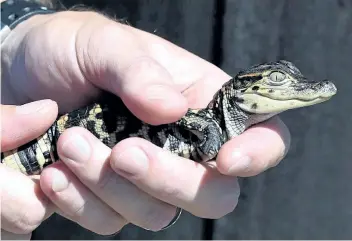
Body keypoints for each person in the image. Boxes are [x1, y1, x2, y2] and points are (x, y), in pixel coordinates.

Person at [0, 3, 291, 240]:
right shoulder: (203, 124)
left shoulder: (211, 130)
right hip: (50, 139)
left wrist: (15, 26)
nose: (294, 87)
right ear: (242, 90)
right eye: (278, 80)